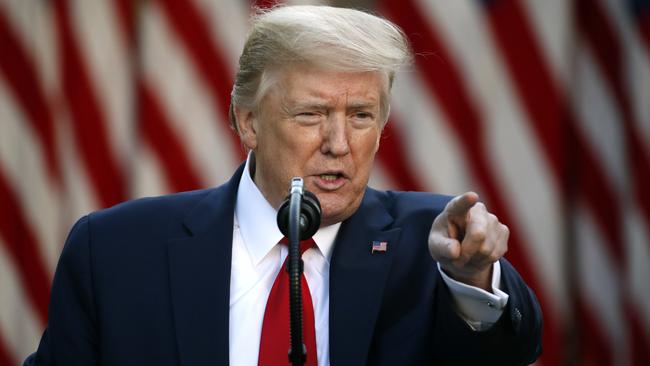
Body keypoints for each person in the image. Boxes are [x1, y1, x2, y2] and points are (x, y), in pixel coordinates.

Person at [24, 5, 541, 366]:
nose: (339, 143)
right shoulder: (116, 251)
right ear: (248, 121)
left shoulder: (430, 245)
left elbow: (509, 352)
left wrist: (472, 278)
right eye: (311, 114)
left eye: (361, 115)